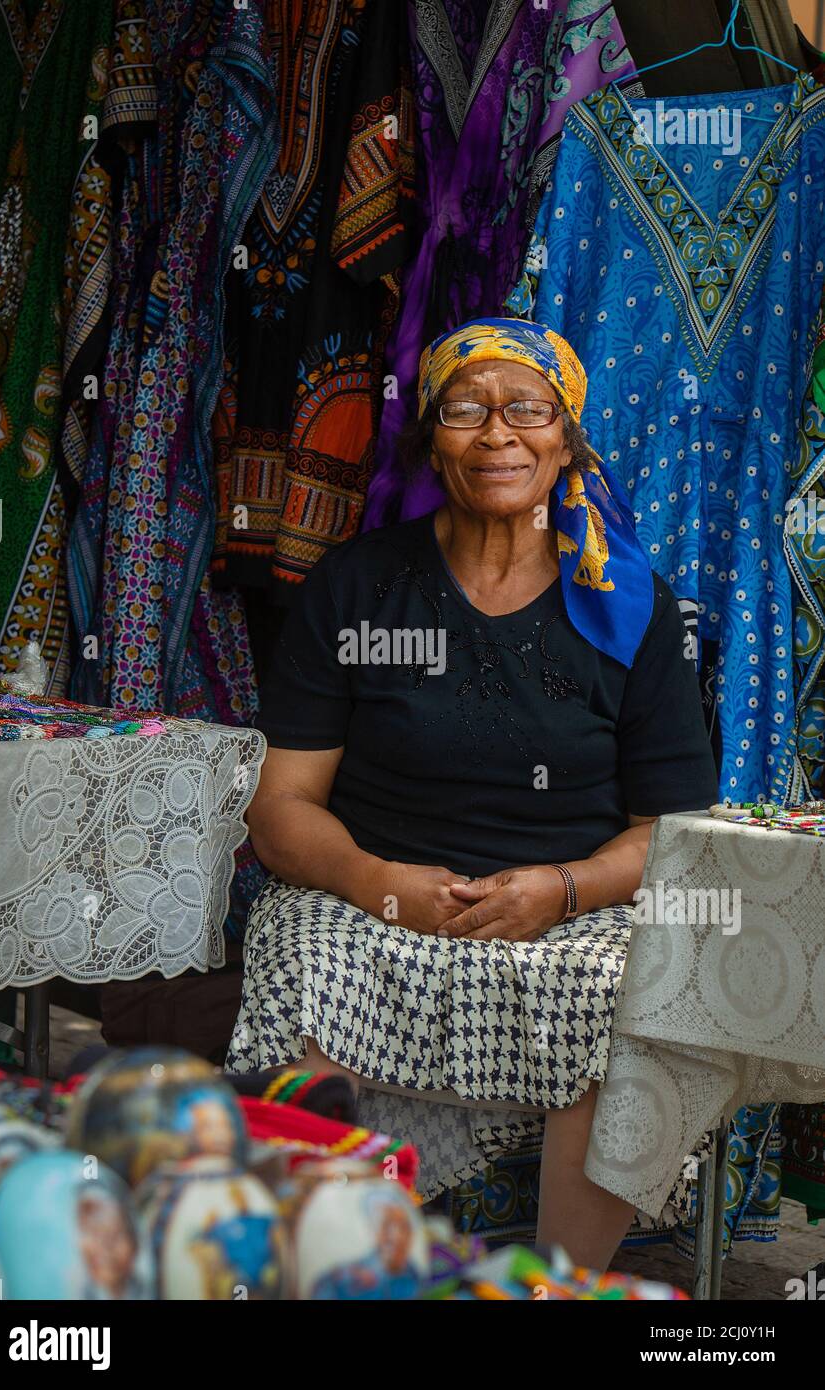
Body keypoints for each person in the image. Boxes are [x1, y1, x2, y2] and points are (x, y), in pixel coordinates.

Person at [227, 318, 718, 1271]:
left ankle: (558, 1287)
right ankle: (338, 1272)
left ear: (568, 434)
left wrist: (563, 889)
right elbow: (281, 806)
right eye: (466, 409)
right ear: (430, 438)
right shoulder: (360, 586)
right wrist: (381, 881)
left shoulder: (630, 604)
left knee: (639, 991)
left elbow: (671, 834)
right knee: (298, 957)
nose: (499, 434)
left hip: (570, 910)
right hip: (372, 895)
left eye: (528, 408)